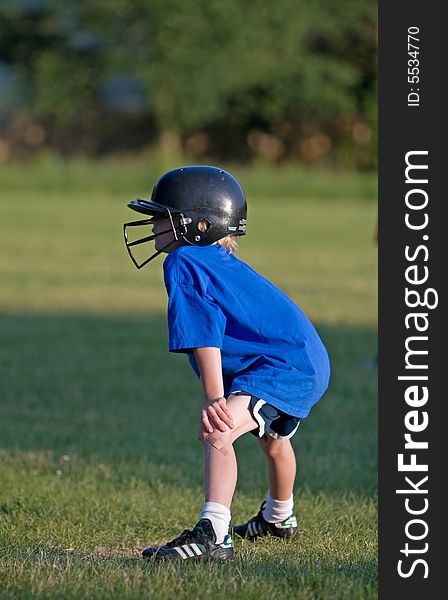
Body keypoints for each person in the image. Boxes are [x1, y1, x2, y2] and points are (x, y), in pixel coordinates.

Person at [123, 165, 330, 561]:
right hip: (301, 358)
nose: (152, 227)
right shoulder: (210, 259)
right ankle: (278, 517)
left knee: (218, 433)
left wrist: (215, 397)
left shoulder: (184, 260)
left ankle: (214, 535)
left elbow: (205, 332)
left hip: (282, 365)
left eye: (161, 218)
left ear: (198, 226)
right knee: (274, 439)